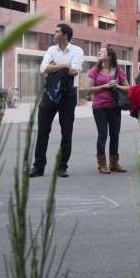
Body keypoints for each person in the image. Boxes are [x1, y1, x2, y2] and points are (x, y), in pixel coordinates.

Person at [30, 23, 84, 178]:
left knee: (66, 132)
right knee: (43, 130)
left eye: (57, 31)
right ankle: (38, 167)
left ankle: (62, 166)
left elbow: (74, 71)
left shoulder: (77, 50)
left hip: (68, 94)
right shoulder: (51, 50)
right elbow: (43, 68)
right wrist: (65, 66)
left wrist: (55, 67)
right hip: (50, 93)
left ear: (65, 35)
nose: (53, 34)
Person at [86, 47, 130, 174]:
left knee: (115, 135)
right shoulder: (94, 70)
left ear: (110, 56)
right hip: (99, 106)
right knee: (103, 135)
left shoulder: (118, 71)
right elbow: (88, 88)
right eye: (99, 51)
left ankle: (114, 163)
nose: (99, 52)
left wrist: (117, 86)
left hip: (115, 106)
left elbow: (128, 88)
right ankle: (102, 164)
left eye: (102, 51)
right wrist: (105, 86)